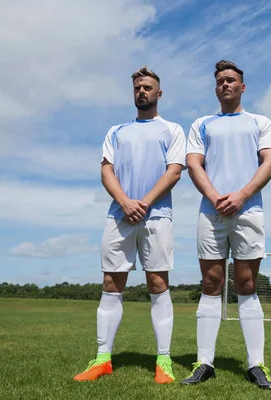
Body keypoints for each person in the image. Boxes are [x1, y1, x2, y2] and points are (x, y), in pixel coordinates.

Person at [73, 66, 186, 384]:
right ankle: (103, 359)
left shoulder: (173, 130)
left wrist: (144, 203)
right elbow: (106, 171)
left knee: (158, 284)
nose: (142, 92)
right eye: (138, 87)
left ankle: (163, 362)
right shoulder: (116, 131)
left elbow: (174, 171)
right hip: (118, 216)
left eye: (148, 87)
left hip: (157, 217)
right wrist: (125, 202)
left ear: (158, 93)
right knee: (111, 283)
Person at [182, 60, 271, 390]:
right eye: (221, 81)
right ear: (215, 89)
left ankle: (256, 365)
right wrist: (214, 196)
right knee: (211, 283)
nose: (225, 84)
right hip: (210, 214)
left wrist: (241, 195)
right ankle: (205, 363)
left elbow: (270, 163)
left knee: (246, 285)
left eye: (231, 80)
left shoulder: (261, 122)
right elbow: (193, 164)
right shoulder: (202, 124)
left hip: (248, 212)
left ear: (243, 86)